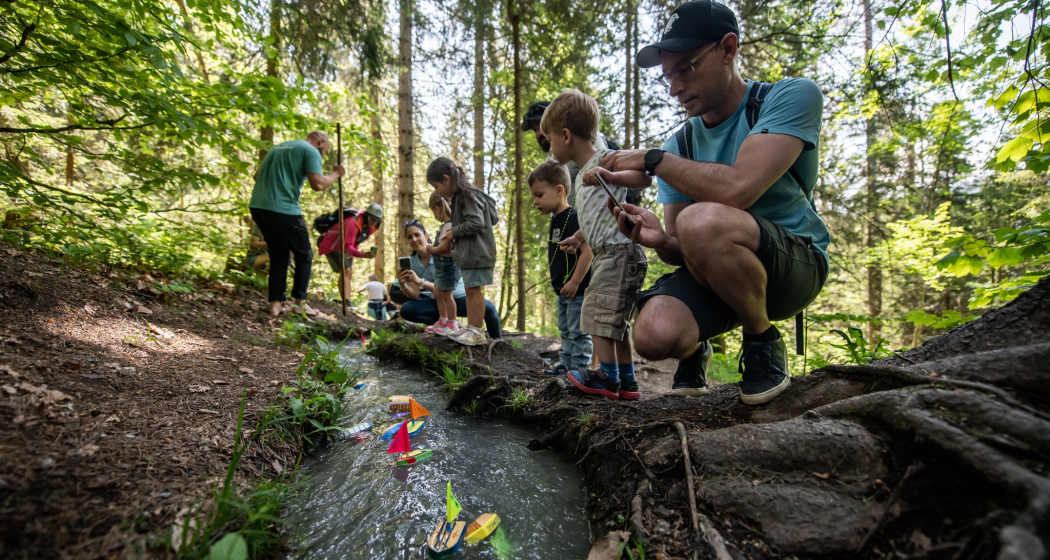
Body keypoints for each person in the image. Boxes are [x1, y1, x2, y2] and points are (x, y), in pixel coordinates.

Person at [600, 0, 830, 405]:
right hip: (722, 273)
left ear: (727, 49)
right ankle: (695, 347)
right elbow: (683, 249)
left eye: (685, 68)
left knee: (700, 220)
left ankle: (762, 342)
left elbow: (737, 190)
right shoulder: (682, 142)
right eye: (668, 75)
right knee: (653, 334)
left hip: (794, 264)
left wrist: (655, 160)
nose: (674, 88)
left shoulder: (790, 97)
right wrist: (658, 239)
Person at [542, 89, 651, 401]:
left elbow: (644, 177)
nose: (549, 147)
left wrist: (606, 172)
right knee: (614, 321)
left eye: (550, 139)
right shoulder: (580, 176)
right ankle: (627, 382)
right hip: (607, 253)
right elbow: (594, 218)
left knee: (595, 314)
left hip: (617, 254)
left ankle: (606, 376)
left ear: (565, 135)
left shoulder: (603, 159)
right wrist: (578, 237)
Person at [249, 131, 345, 317]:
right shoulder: (310, 150)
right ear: (320, 141)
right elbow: (317, 184)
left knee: (279, 254)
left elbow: (257, 176)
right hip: (284, 209)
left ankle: (275, 304)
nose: (323, 155)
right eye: (325, 151)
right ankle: (299, 303)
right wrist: (336, 173)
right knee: (304, 254)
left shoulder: (276, 148)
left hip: (259, 207)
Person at [527, 161, 594, 377]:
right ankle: (565, 365)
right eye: (533, 197)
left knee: (578, 332)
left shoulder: (573, 217)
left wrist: (575, 281)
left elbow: (588, 251)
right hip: (562, 290)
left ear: (559, 190)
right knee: (565, 330)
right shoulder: (555, 220)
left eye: (539, 195)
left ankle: (580, 370)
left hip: (578, 290)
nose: (535, 202)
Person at [426, 157, 499, 346]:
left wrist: (452, 234)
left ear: (446, 179)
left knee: (474, 291)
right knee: (471, 289)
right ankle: (471, 328)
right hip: (471, 253)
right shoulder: (461, 195)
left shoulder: (466, 195)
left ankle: (476, 332)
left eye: (436, 186)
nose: (437, 192)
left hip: (477, 252)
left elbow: (476, 222)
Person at [393, 221, 502, 339]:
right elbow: (414, 295)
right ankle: (443, 324)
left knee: (489, 309)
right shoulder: (412, 262)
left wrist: (421, 282)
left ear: (426, 235)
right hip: (439, 303)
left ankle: (496, 340)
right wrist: (402, 283)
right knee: (406, 309)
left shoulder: (442, 252)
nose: (414, 239)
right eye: (410, 237)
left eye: (417, 235)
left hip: (460, 300)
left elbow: (445, 285)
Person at [521, 101, 618, 190]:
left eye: (541, 124)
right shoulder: (556, 157)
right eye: (534, 129)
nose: (538, 133)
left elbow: (606, 176)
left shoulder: (585, 140)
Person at [318, 203, 382, 306]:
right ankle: (347, 301)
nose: (374, 222)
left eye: (376, 220)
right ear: (367, 215)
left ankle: (346, 300)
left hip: (343, 248)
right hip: (332, 245)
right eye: (372, 219)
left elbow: (356, 240)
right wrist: (362, 254)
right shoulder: (353, 222)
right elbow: (348, 245)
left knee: (348, 272)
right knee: (346, 271)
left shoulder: (369, 227)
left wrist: (355, 251)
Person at [420, 193, 460, 335]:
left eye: (433, 211)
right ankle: (443, 319)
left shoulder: (449, 226)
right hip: (441, 268)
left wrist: (431, 249)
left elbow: (445, 248)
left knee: (447, 295)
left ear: (438, 209)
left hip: (448, 267)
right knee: (438, 293)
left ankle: (452, 323)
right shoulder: (446, 226)